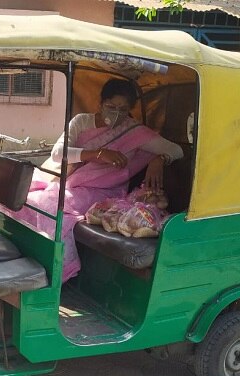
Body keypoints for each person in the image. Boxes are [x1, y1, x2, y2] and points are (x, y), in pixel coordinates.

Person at [12, 78, 183, 282]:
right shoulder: (81, 122)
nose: (117, 113)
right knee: (26, 199)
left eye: (123, 108)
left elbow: (176, 150)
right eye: (111, 106)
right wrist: (97, 154)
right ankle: (31, 259)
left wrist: (158, 159)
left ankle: (60, 272)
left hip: (104, 192)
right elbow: (58, 153)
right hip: (69, 182)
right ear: (100, 104)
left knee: (50, 206)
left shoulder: (133, 131)